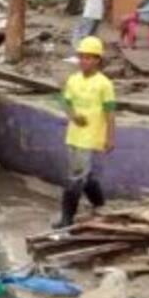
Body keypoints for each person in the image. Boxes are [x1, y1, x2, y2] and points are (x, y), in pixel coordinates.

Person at [55, 36, 116, 228]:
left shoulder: (104, 84)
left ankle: (67, 218)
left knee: (75, 178)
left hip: (90, 137)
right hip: (73, 134)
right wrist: (73, 116)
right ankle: (99, 204)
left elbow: (110, 113)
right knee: (84, 174)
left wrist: (110, 137)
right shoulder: (74, 80)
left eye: (89, 58)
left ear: (97, 60)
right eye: (82, 57)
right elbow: (65, 101)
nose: (84, 61)